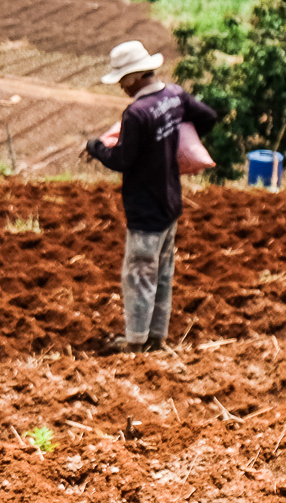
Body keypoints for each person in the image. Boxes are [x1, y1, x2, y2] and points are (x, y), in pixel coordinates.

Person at [83, 40, 218, 353]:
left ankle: (136, 342)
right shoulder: (175, 96)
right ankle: (156, 337)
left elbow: (121, 160)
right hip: (170, 202)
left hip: (145, 208)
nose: (120, 87)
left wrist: (95, 147)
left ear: (132, 78)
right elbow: (208, 117)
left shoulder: (136, 113)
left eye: (121, 80)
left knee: (139, 275)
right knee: (163, 272)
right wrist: (177, 146)